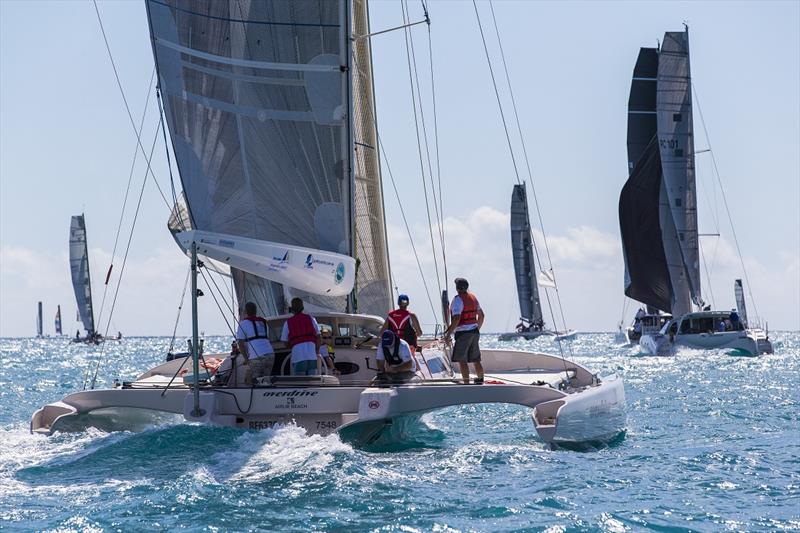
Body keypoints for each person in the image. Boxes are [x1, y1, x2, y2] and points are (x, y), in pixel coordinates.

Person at [443, 277, 485, 384]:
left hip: (463, 333)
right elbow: (481, 316)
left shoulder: (458, 300)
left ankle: (466, 383)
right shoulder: (473, 298)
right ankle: (480, 380)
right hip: (474, 332)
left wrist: (448, 335)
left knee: (462, 360)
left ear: (457, 288)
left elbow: (456, 319)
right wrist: (477, 329)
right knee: (476, 359)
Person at [235, 301, 275, 384]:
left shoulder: (243, 323)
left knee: (251, 381)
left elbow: (240, 344)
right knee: (266, 381)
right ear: (256, 311)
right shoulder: (263, 322)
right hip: (270, 354)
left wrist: (246, 359)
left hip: (257, 357)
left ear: (245, 311)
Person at [280, 298, 321, 376]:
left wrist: (292, 346)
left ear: (292, 309)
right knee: (311, 381)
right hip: (311, 355)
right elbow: (319, 337)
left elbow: (285, 342)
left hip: (298, 355)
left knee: (301, 382)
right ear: (302, 307)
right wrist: (317, 351)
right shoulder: (311, 319)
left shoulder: (288, 323)